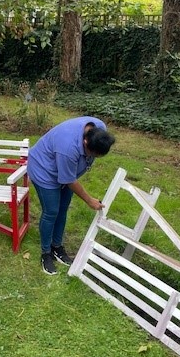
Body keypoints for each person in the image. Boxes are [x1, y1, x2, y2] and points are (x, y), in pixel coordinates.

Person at [27, 116, 115, 275]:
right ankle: (46, 253)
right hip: (43, 169)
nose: (92, 159)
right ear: (85, 142)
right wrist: (89, 200)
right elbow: (68, 180)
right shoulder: (68, 147)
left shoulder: (99, 129)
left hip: (66, 170)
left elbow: (68, 177)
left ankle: (57, 247)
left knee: (62, 210)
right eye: (92, 155)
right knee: (51, 211)